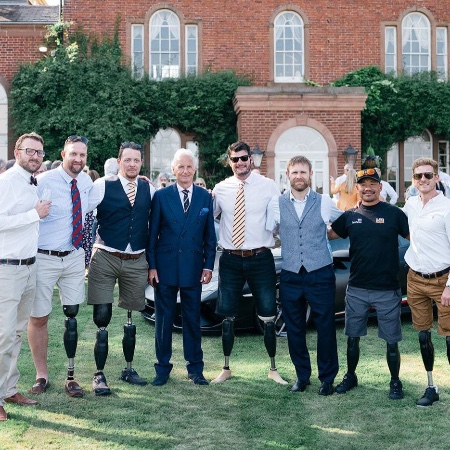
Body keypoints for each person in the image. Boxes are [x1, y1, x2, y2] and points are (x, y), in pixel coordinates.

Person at [329, 168, 409, 400]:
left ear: (380, 187)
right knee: (352, 336)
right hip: (357, 288)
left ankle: (395, 381)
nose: (367, 188)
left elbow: (415, 238)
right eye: (363, 184)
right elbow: (328, 235)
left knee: (391, 340)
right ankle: (351, 376)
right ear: (357, 188)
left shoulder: (394, 214)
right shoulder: (350, 216)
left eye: (373, 184)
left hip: (387, 288)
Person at [211, 140, 286, 385]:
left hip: (261, 258)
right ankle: (225, 368)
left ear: (251, 159)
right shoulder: (220, 189)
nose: (240, 163)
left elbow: (281, 216)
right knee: (227, 315)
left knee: (268, 314)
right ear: (229, 162)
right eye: (235, 159)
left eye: (244, 158)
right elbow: (205, 217)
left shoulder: (268, 186)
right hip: (231, 259)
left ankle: (273, 369)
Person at [27, 135, 96, 398]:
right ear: (63, 154)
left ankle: (71, 375)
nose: (78, 159)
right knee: (39, 317)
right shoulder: (43, 182)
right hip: (44, 257)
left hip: (74, 256)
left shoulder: (87, 182)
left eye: (82, 155)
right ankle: (41, 375)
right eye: (73, 154)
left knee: (72, 316)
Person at [267, 156, 342, 395]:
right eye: (294, 172)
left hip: (320, 272)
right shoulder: (277, 203)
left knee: (325, 326)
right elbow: (270, 233)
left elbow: (344, 223)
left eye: (303, 172)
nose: (299, 176)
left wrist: (325, 238)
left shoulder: (324, 201)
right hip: (291, 274)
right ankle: (302, 376)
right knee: (294, 328)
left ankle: (327, 378)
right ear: (287, 176)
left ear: (310, 175)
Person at [86, 142, 155, 395]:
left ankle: (128, 369)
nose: (132, 164)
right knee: (102, 316)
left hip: (136, 258)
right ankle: (99, 374)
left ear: (141, 162)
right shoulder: (102, 185)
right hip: (106, 255)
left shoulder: (149, 188)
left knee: (130, 316)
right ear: (119, 161)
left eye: (136, 160)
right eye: (127, 159)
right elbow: (83, 212)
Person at [148, 149, 216, 386]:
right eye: (181, 167)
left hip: (193, 267)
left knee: (192, 319)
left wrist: (208, 266)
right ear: (173, 170)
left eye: (189, 167)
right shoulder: (161, 196)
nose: (185, 171)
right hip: (165, 267)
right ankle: (162, 368)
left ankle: (195, 369)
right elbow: (152, 235)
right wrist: (152, 266)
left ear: (194, 169)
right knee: (164, 320)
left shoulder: (205, 197)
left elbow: (210, 236)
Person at [0, 132, 51, 421]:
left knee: (17, 332)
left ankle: (9, 389)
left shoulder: (34, 182)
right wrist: (34, 214)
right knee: (4, 334)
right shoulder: (6, 182)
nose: (35, 156)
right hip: (7, 268)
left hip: (30, 267)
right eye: (30, 151)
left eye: (39, 152)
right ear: (17, 152)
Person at [403, 158, 450, 407]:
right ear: (413, 180)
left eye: (428, 175)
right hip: (415, 279)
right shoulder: (410, 205)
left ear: (436, 178)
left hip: (443, 280)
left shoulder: (447, 207)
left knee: (449, 337)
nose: (423, 179)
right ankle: (431, 387)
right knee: (423, 336)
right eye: (418, 176)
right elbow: (393, 220)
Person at [83, 169, 100, 273]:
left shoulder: (87, 192)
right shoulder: (98, 191)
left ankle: (86, 265)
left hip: (87, 218)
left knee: (86, 240)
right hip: (94, 218)